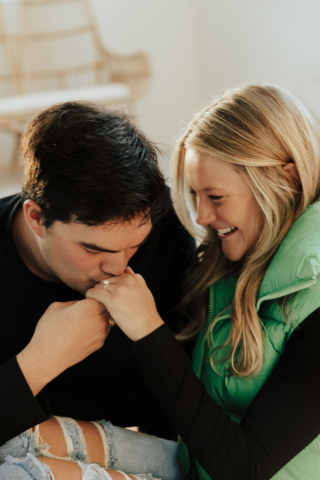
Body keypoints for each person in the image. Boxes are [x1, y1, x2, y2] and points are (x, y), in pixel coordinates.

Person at [82, 84, 320, 480]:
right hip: (192, 466)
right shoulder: (222, 263)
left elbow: (244, 468)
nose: (203, 217)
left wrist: (149, 332)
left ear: (287, 180)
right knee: (29, 444)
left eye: (216, 196)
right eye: (194, 194)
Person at [0, 102, 195, 478]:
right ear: (36, 218)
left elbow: (187, 398)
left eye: (134, 245)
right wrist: (41, 361)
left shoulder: (164, 229)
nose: (119, 267)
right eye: (92, 249)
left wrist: (150, 332)